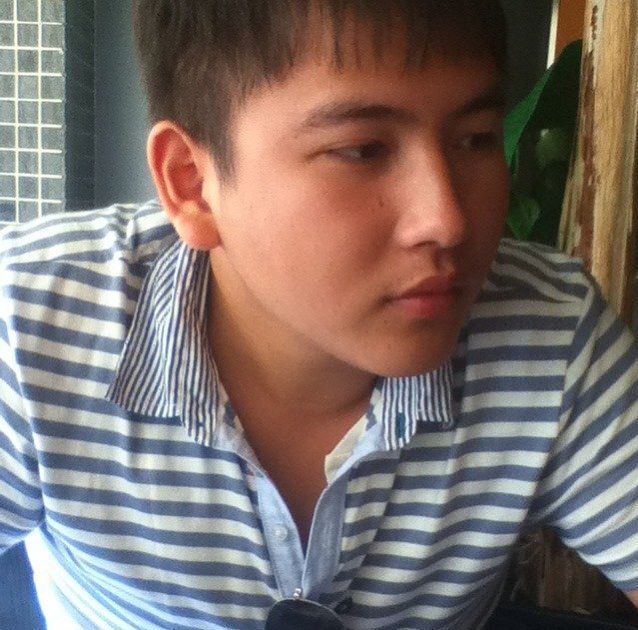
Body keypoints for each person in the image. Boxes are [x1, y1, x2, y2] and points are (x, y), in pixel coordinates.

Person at [0, 1, 637, 628]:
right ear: (192, 183)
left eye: (475, 140)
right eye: (362, 150)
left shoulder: (551, 336)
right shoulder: (33, 322)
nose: (446, 221)